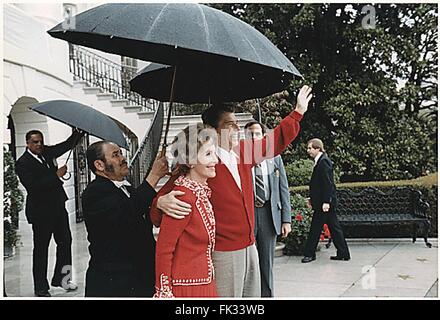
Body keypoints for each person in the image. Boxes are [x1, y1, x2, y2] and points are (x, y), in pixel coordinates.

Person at [152, 85, 312, 297]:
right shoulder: (201, 162)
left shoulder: (242, 151)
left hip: (250, 245)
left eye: (238, 124)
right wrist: (160, 202)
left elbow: (273, 143)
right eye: (230, 125)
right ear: (211, 129)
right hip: (223, 252)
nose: (237, 129)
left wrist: (297, 113)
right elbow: (165, 199)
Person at [81, 141, 168, 297]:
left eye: (121, 153)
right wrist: (154, 176)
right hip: (114, 282)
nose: (123, 158)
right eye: (115, 155)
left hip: (138, 276)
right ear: (100, 165)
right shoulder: (94, 193)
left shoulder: (126, 188)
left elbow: (141, 211)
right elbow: (128, 211)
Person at [15, 129, 84, 297]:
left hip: (58, 207)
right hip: (40, 212)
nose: (39, 145)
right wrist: (56, 175)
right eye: (35, 142)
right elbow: (33, 186)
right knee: (41, 249)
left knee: (66, 242)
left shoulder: (46, 152)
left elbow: (65, 146)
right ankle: (40, 287)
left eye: (40, 141)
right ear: (28, 143)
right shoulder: (22, 163)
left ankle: (62, 280)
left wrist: (78, 134)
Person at [153, 124, 219, 298]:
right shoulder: (182, 196)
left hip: (204, 283)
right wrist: (163, 291)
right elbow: (164, 249)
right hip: (187, 290)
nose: (216, 160)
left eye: (214, 153)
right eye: (208, 154)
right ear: (190, 161)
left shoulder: (200, 191)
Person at [244, 121, 292, 298]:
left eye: (257, 133)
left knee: (267, 261)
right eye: (250, 134)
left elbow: (283, 189)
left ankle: (267, 295)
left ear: (264, 136)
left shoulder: (274, 157)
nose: (254, 137)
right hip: (247, 214)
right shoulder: (242, 158)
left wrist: (286, 219)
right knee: (249, 262)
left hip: (268, 214)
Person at [301, 138, 350, 263]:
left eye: (310, 148)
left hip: (324, 204)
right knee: (334, 228)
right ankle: (343, 253)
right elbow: (319, 185)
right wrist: (313, 198)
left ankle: (309, 254)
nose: (308, 151)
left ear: (317, 148)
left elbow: (328, 184)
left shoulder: (323, 162)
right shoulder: (321, 161)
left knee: (315, 229)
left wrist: (326, 202)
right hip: (323, 203)